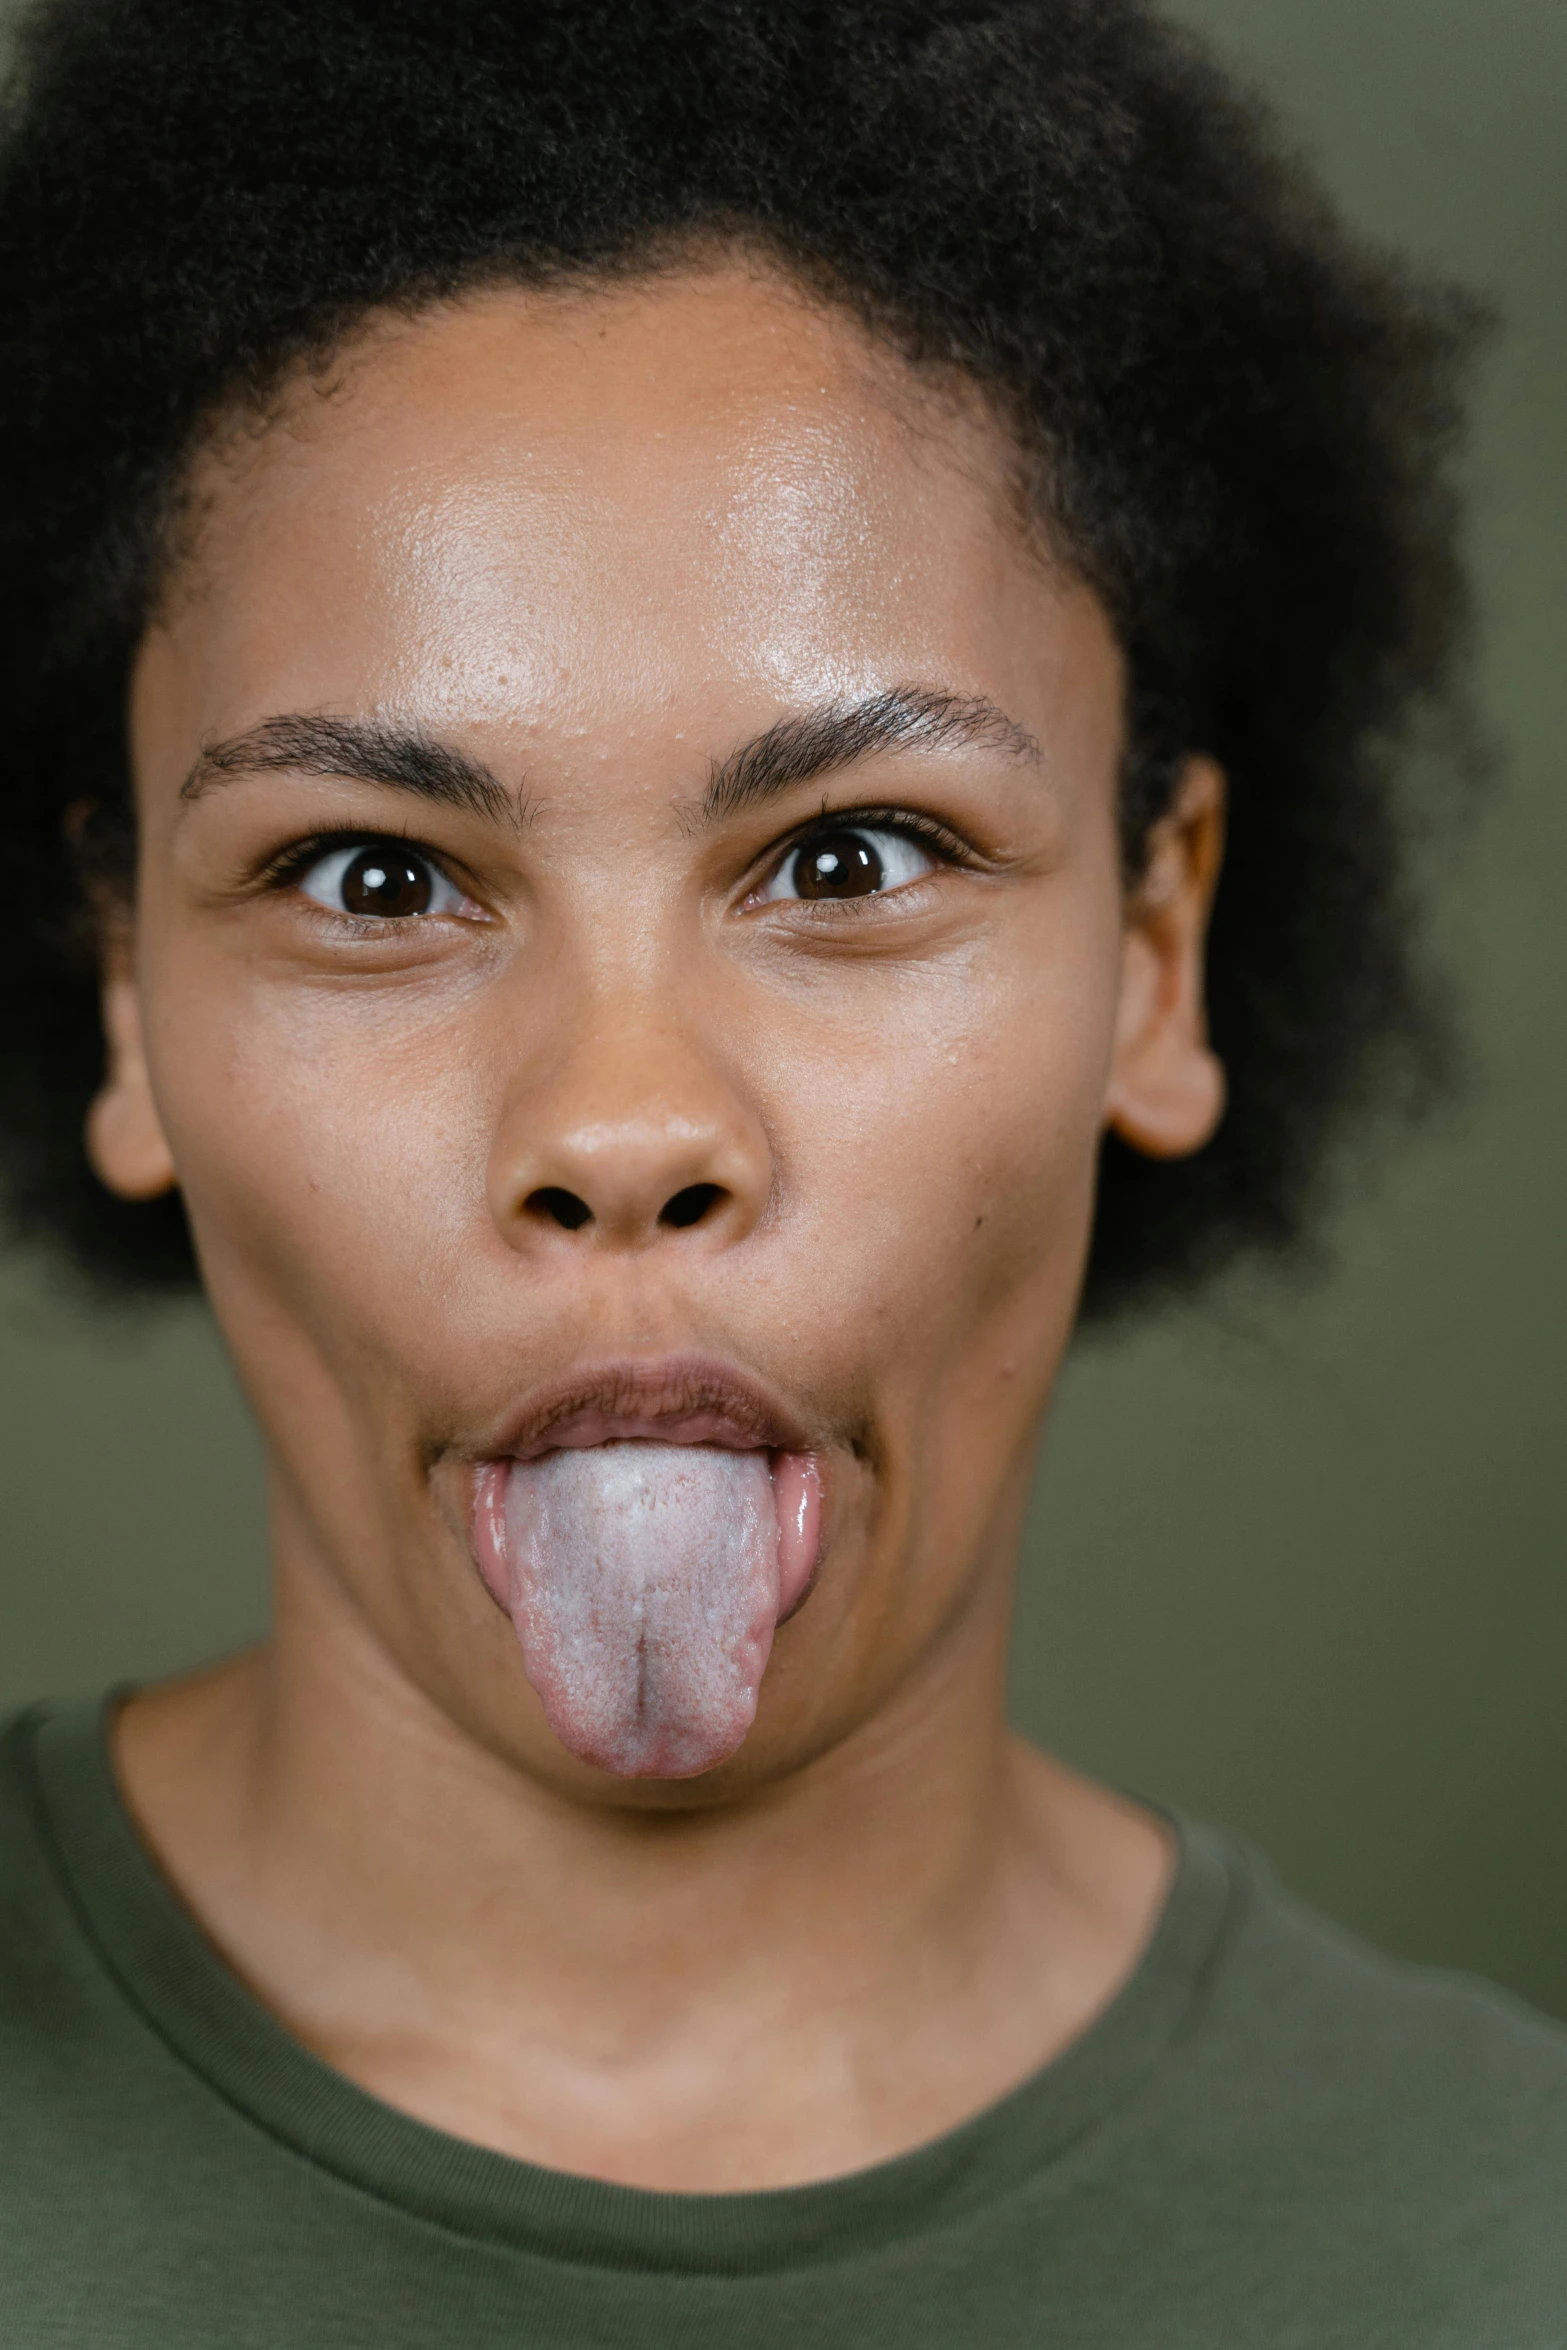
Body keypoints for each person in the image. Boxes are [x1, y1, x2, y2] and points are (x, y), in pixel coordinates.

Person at [0, 0, 1562, 2339]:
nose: (624, 1125)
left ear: (1156, 947)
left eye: (850, 852)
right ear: (127, 986)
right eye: (373, 879)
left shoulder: (1503, 2236)